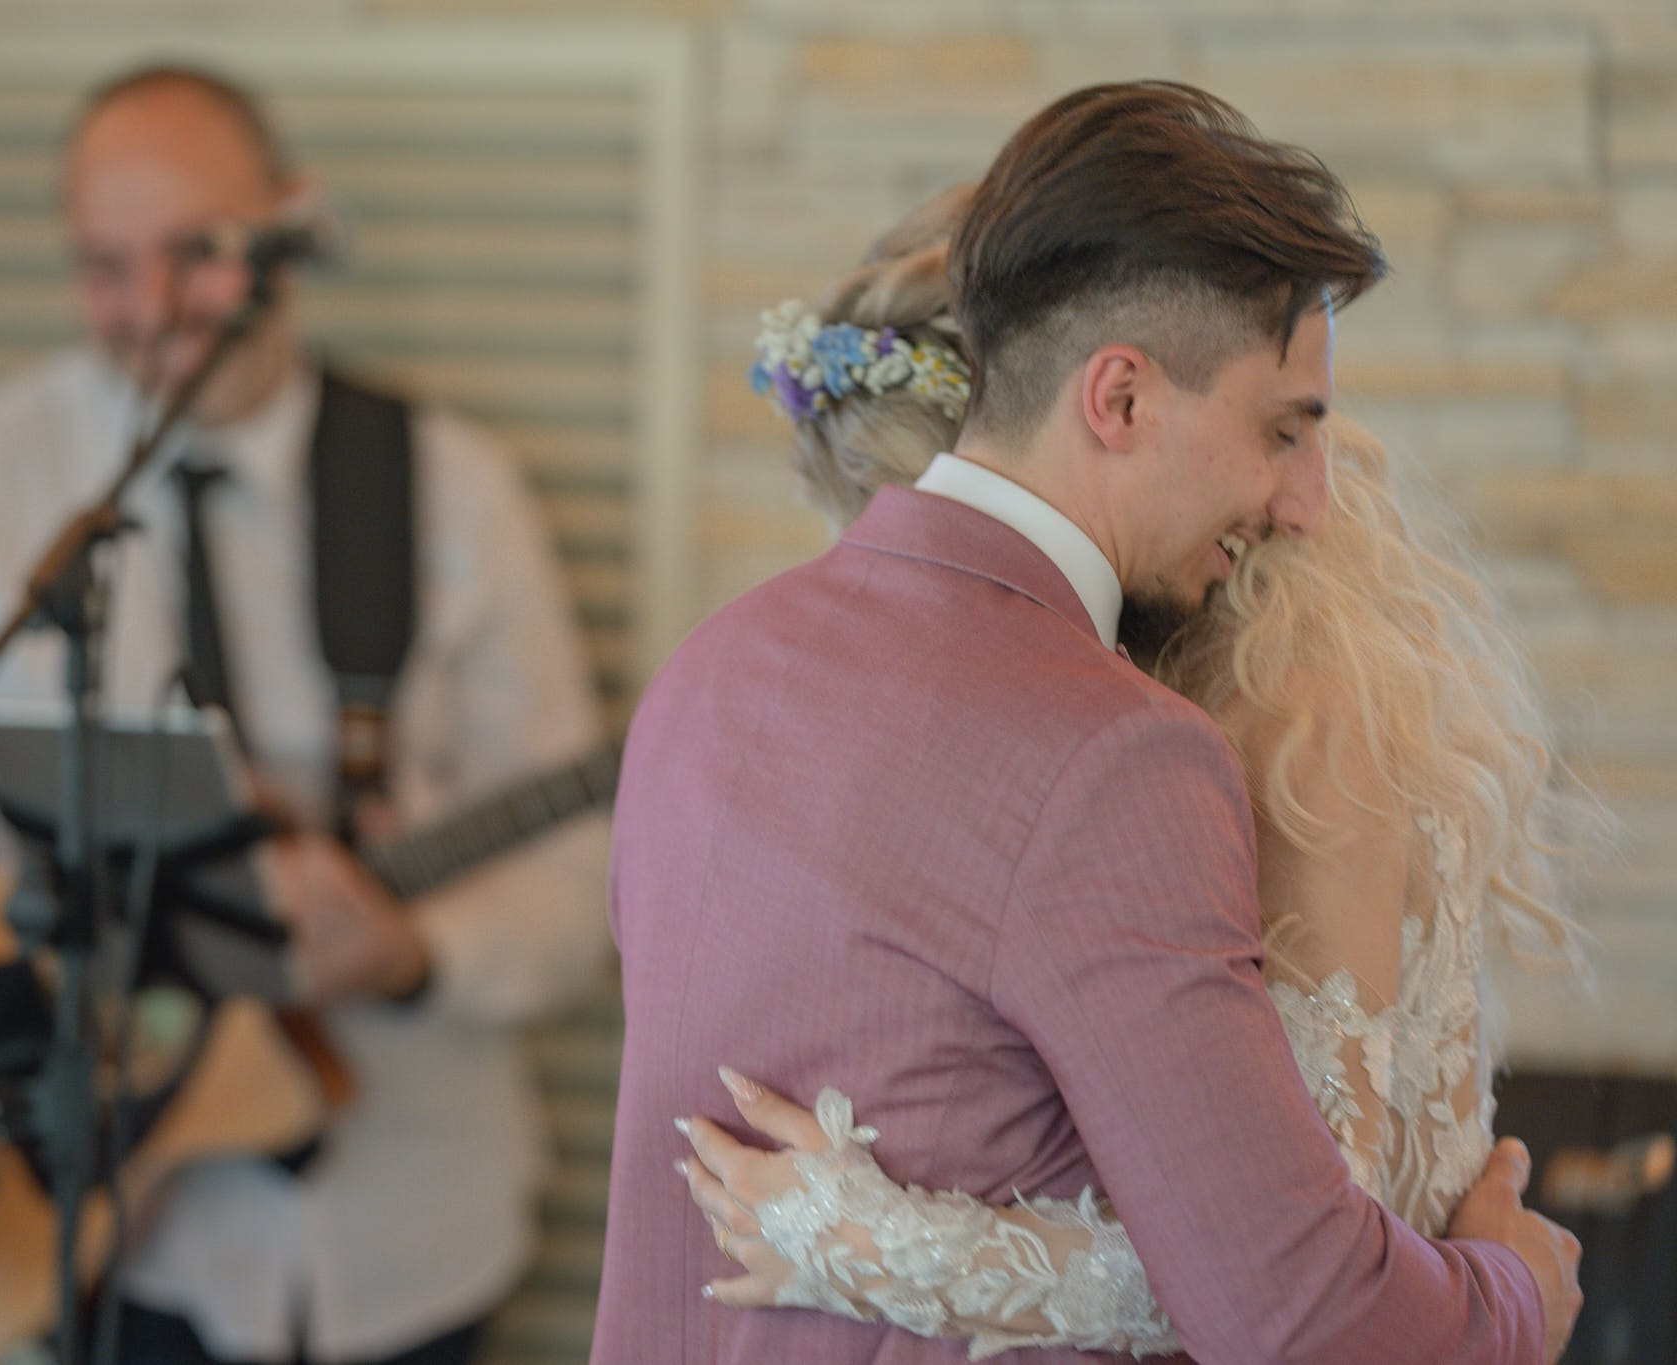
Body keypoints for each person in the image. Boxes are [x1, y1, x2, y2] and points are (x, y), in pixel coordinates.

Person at [0, 65, 611, 1365]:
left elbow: (581, 879)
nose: (150, 310)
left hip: (407, 1230)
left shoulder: (454, 490)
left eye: (194, 252)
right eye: (104, 266)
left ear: (292, 223)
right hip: (88, 1232)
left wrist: (413, 953)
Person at [592, 81, 1581, 1364]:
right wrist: (1515, 1292)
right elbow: (1299, 1313)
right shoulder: (1114, 753)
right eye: (1281, 431)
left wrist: (876, 1242)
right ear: (1116, 400)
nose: (1307, 504)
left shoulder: (712, 667)